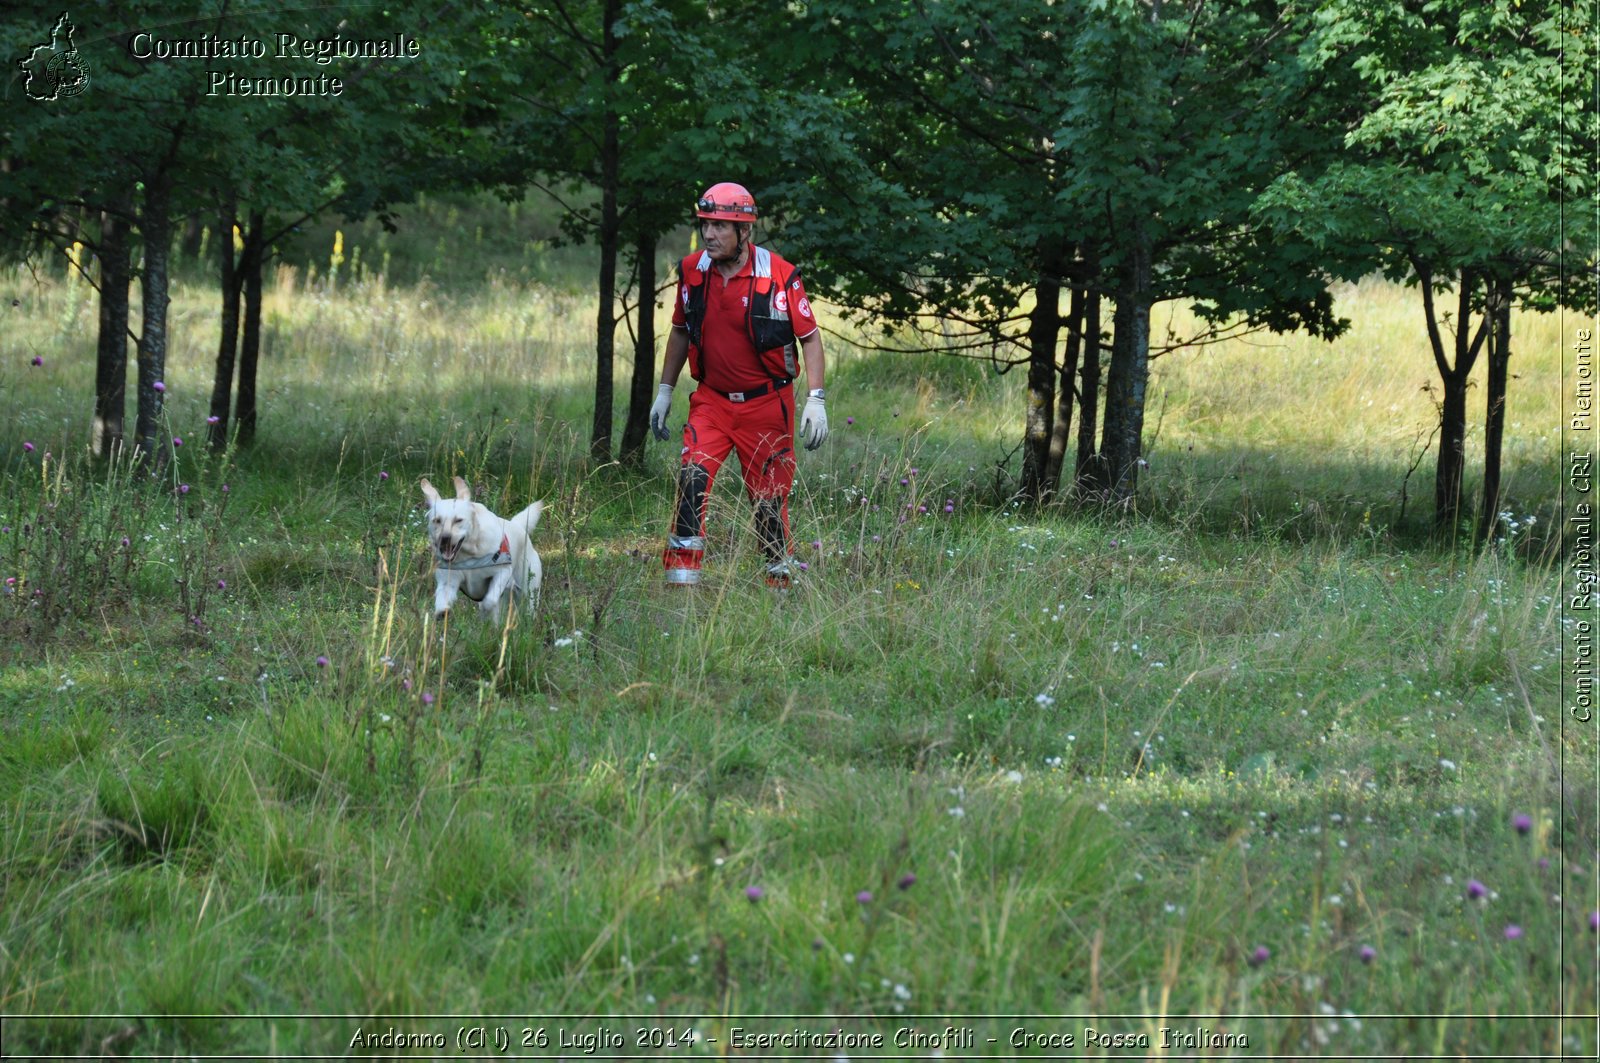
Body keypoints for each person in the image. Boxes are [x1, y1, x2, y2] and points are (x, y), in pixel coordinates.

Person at [649, 182, 828, 589]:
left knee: (768, 501)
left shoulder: (779, 276)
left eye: (720, 226)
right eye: (706, 224)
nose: (709, 234)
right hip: (711, 401)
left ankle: (779, 585)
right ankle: (681, 583)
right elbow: (679, 331)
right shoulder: (693, 271)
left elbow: (811, 338)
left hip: (766, 405)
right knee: (691, 479)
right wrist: (664, 391)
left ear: (744, 232)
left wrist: (815, 399)